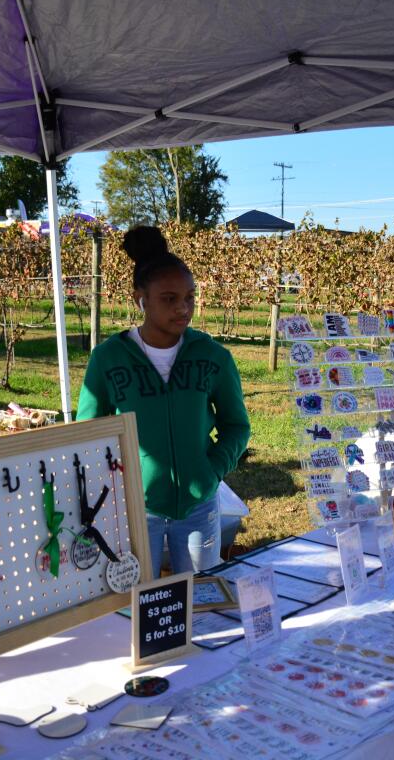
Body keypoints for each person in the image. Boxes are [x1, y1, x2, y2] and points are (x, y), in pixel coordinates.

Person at [76, 226, 250, 577]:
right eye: (169, 299)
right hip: (135, 508)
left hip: (199, 506)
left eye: (190, 297)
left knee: (200, 592)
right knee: (139, 597)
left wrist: (211, 471)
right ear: (140, 299)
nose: (183, 308)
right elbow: (89, 433)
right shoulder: (108, 359)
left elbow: (236, 425)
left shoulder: (213, 357)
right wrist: (116, 486)